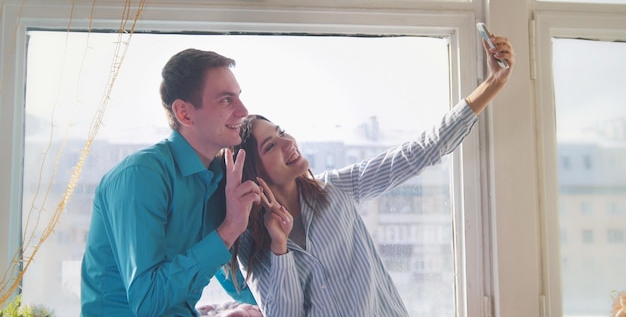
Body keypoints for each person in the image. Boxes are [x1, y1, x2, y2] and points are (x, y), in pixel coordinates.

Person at [230, 34, 516, 316]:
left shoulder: (336, 188)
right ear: (255, 173)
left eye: (281, 132)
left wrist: (494, 83)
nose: (287, 142)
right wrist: (279, 246)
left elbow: (422, 151)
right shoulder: (253, 243)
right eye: (270, 146)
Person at [81, 48, 264, 316]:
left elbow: (229, 275)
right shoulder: (140, 177)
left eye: (238, 97)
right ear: (184, 113)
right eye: (226, 101)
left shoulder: (221, 178)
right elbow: (148, 301)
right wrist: (229, 229)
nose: (243, 111)